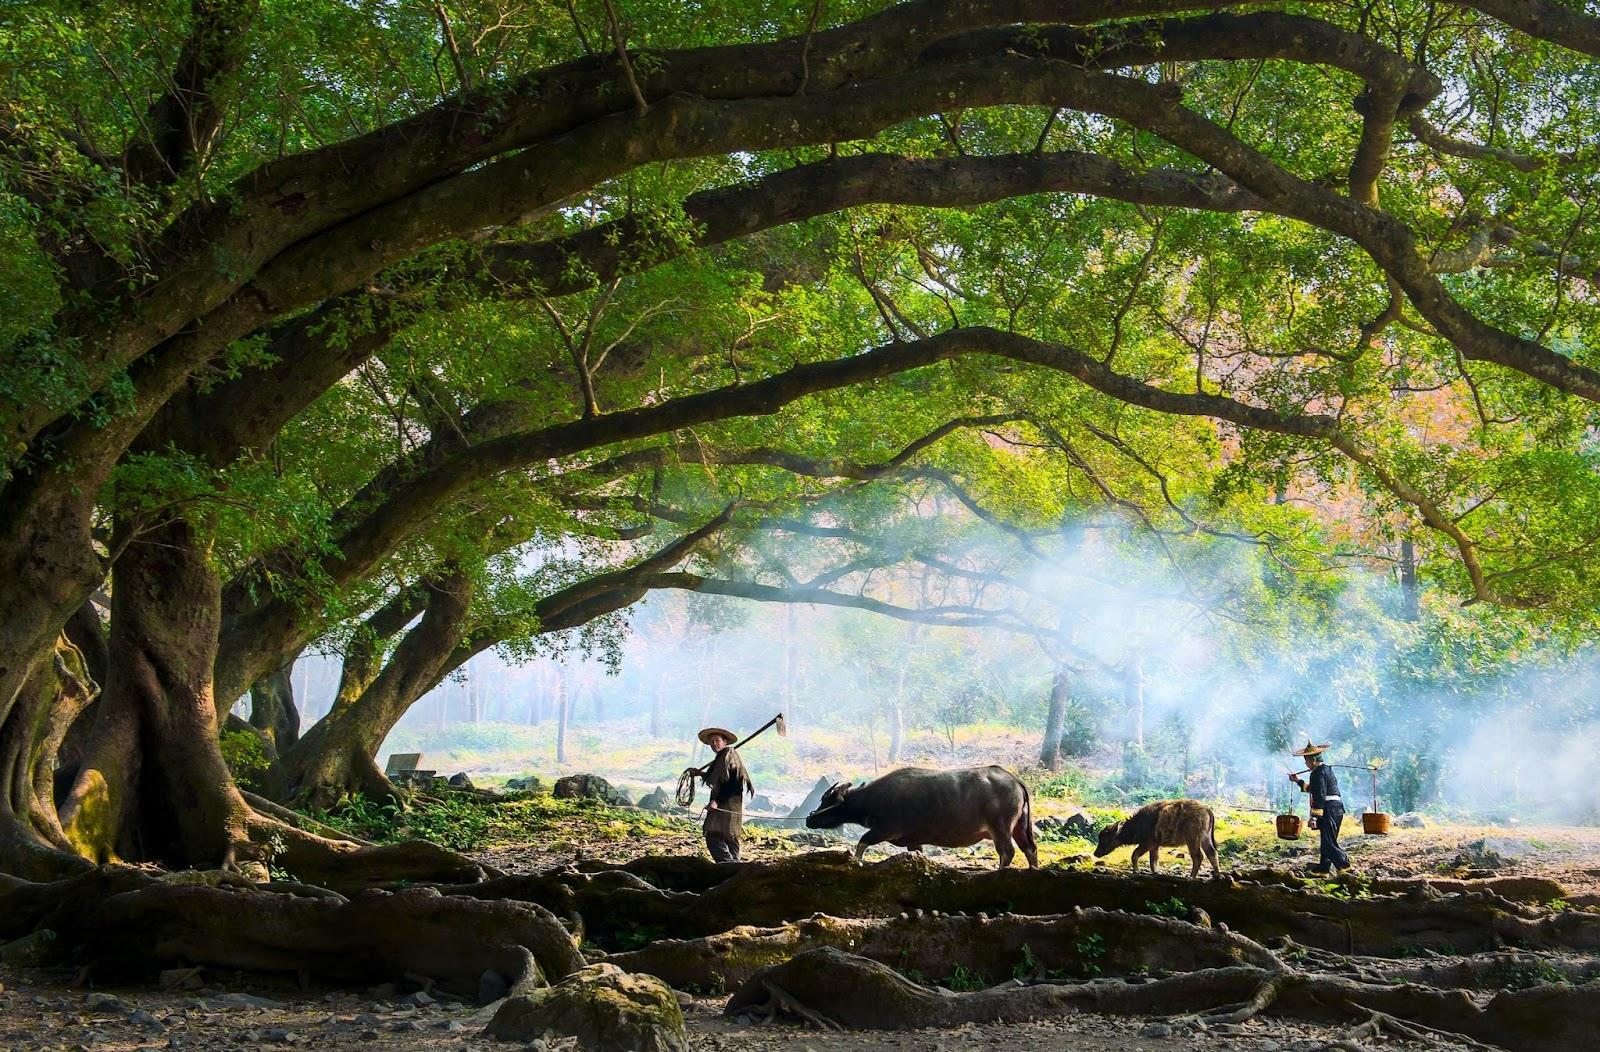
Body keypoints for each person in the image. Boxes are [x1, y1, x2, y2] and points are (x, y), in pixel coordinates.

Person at [1289, 739, 1351, 875]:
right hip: (1336, 809)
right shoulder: (1326, 770)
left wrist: (1315, 817)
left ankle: (1345, 867)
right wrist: (1298, 780)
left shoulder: (1317, 773)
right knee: (1326, 840)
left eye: (1307, 761)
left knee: (1329, 843)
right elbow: (1314, 789)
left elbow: (1320, 796)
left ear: (1314, 760)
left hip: (1328, 809)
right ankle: (1323, 869)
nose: (1306, 763)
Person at [699, 726, 753, 863]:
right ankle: (735, 868)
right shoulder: (720, 758)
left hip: (728, 804)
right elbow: (719, 777)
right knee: (730, 838)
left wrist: (717, 801)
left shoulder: (730, 755)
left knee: (714, 835)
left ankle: (727, 867)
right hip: (726, 805)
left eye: (717, 740)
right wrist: (699, 773)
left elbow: (735, 783)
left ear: (725, 742)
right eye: (711, 741)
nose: (714, 744)